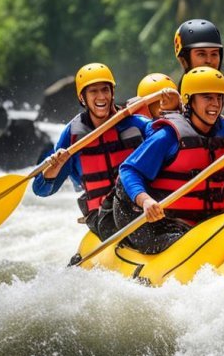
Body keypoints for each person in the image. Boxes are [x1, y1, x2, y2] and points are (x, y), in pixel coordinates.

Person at [114, 67, 224, 254]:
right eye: (207, 97)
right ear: (189, 100)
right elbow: (129, 170)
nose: (215, 104)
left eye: (219, 97)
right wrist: (145, 200)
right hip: (163, 222)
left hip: (208, 219)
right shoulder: (169, 136)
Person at [34, 63, 150, 240]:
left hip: (140, 205)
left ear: (112, 92)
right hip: (103, 217)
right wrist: (55, 168)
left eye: (105, 89)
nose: (101, 96)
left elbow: (169, 140)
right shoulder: (72, 135)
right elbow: (41, 190)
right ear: (82, 98)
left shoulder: (136, 123)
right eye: (93, 91)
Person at [171, 18, 224, 139]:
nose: (209, 60)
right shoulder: (164, 104)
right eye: (201, 54)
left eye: (214, 54)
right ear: (184, 59)